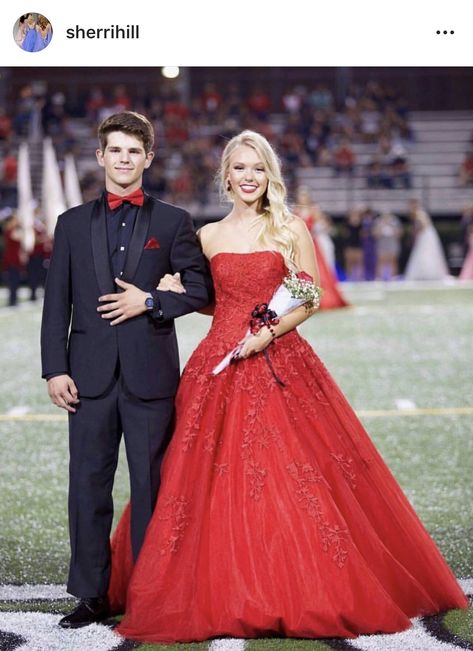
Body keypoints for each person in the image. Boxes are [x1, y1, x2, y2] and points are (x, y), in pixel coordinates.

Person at [107, 131, 467, 644]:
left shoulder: (289, 227)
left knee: (291, 474)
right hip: (218, 363)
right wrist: (171, 291)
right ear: (226, 176)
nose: (249, 177)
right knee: (195, 476)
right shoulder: (206, 235)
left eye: (258, 168)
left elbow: (309, 295)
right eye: (240, 168)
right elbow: (211, 299)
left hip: (279, 359)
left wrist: (266, 334)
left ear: (268, 174)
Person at [40, 111, 212, 629]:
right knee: (88, 487)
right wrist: (54, 370)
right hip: (86, 379)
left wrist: (151, 301)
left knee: (153, 491)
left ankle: (152, 594)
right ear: (100, 157)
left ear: (149, 159)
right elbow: (56, 306)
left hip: (150, 379)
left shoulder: (173, 221)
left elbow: (203, 291)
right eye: (115, 150)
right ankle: (90, 596)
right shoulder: (70, 223)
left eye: (134, 152)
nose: (124, 159)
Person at [294, 186, 349, 310]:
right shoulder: (296, 210)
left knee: (319, 271)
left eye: (304, 195)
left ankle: (324, 300)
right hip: (300, 245)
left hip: (313, 244)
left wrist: (315, 231)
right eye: (300, 195)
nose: (302, 198)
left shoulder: (314, 210)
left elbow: (322, 225)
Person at [404, 199, 449, 281]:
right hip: (424, 235)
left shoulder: (420, 213)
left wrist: (416, 231)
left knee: (427, 253)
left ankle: (429, 273)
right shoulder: (417, 213)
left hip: (425, 236)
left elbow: (424, 225)